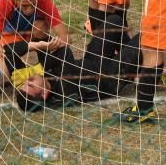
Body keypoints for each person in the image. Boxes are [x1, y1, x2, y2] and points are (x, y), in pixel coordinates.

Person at [11, 32, 142, 112]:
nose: (29, 79)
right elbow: (65, 51)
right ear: (44, 94)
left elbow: (9, 50)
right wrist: (45, 47)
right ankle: (139, 64)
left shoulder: (47, 80)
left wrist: (40, 45)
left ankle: (135, 57)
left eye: (26, 83)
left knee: (114, 20)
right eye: (31, 85)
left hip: (92, 61)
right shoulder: (64, 91)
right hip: (111, 76)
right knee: (146, 37)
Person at [0, 0, 69, 82]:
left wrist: (54, 45)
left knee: (41, 27)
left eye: (33, 4)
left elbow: (66, 38)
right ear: (16, 0)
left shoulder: (43, 0)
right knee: (3, 76)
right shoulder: (5, 2)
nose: (29, 9)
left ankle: (45, 65)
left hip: (33, 33)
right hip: (10, 35)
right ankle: (23, 68)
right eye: (25, 6)